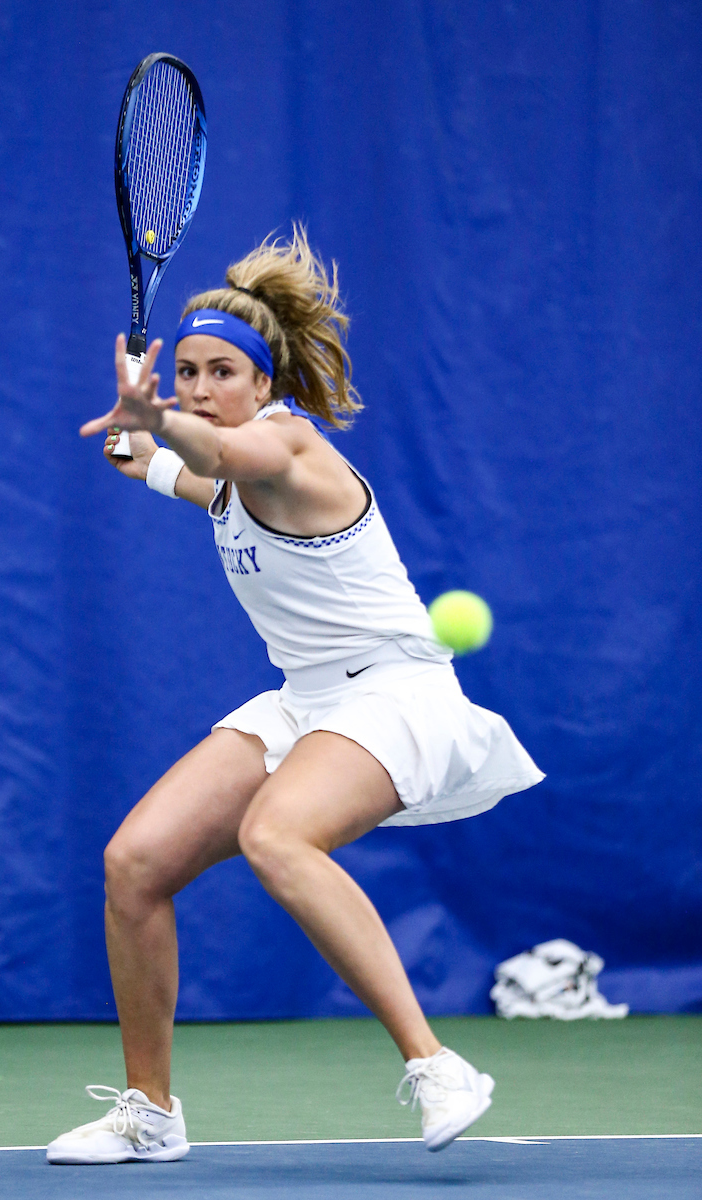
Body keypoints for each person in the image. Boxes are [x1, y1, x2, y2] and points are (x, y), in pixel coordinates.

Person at [46, 228, 544, 1166]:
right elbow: (200, 480)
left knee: (274, 834)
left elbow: (228, 460)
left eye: (221, 372)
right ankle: (151, 1111)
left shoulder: (289, 445)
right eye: (184, 370)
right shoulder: (229, 469)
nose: (199, 387)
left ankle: (438, 1066)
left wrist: (156, 421)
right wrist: (143, 452)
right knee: (135, 864)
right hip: (307, 697)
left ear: (264, 386)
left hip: (400, 694)